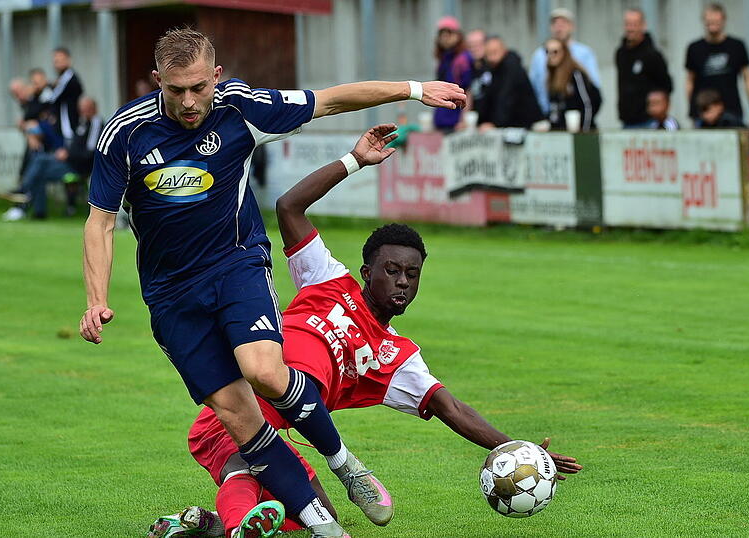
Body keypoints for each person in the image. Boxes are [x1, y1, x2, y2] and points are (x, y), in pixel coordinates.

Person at [79, 28, 465, 538]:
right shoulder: (124, 134)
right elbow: (100, 220)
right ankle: (329, 532)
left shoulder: (241, 107)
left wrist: (414, 89)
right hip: (171, 295)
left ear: (216, 76)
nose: (190, 101)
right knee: (242, 422)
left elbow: (331, 100)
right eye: (176, 91)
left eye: (199, 87)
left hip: (235, 263)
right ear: (157, 83)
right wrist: (96, 300)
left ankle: (344, 462)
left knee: (262, 369)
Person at [149, 124, 583, 538]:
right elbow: (288, 207)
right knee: (247, 464)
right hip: (232, 411)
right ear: (366, 271)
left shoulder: (397, 357)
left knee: (319, 515)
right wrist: (354, 160)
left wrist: (518, 450)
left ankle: (209, 523)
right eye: (391, 270)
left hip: (279, 435)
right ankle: (238, 518)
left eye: (412, 275)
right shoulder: (325, 278)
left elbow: (452, 408)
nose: (402, 282)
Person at [685, 3, 749, 131]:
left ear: (723, 20)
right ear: (704, 21)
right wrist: (693, 112)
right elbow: (689, 81)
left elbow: (748, 79)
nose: (712, 25)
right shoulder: (694, 48)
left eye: (716, 21)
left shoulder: (737, 46)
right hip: (704, 114)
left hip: (731, 110)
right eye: (709, 22)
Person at [529, 8, 601, 118]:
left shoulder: (584, 54)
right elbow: (534, 88)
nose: (559, 28)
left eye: (563, 23)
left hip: (574, 118)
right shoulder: (539, 55)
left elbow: (592, 93)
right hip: (549, 116)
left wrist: (584, 122)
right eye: (555, 24)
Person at [615, 8, 673, 128]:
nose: (630, 28)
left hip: (649, 121)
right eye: (628, 24)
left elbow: (667, 86)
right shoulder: (620, 53)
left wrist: (656, 108)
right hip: (627, 121)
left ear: (643, 25)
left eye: (634, 24)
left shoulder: (653, 55)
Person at [477, 36, 543, 130]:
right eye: (488, 54)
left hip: (524, 125)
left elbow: (506, 98)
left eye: (495, 52)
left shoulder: (512, 67)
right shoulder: (490, 69)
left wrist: (496, 124)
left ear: (504, 51)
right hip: (510, 124)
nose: (491, 57)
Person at [544, 38, 601, 131]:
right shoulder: (550, 77)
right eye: (547, 51)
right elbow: (554, 109)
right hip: (561, 133)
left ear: (564, 52)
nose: (551, 55)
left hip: (580, 131)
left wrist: (584, 131)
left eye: (555, 51)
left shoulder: (575, 74)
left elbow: (588, 105)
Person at [433, 16, 474, 132]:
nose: (445, 38)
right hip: (442, 120)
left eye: (449, 33)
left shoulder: (463, 60)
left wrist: (464, 120)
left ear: (458, 36)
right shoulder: (444, 59)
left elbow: (468, 91)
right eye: (442, 34)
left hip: (456, 123)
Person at [49, 47, 83, 142]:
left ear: (69, 60)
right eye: (55, 61)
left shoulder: (68, 77)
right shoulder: (62, 79)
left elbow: (52, 98)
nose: (57, 64)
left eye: (60, 60)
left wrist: (47, 86)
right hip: (64, 128)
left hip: (69, 127)